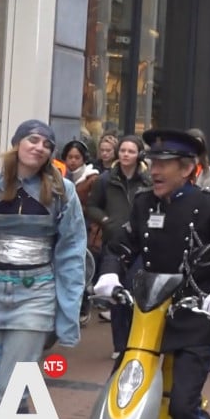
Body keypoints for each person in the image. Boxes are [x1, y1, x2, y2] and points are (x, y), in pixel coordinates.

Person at [95, 129, 210, 419]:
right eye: (152, 162)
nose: (154, 170)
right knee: (120, 392)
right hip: (147, 319)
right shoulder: (144, 203)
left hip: (195, 321)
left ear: (187, 169)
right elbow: (119, 245)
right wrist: (110, 272)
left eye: (164, 163)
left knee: (184, 406)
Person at [0, 119, 87, 419]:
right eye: (33, 139)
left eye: (47, 144)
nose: (40, 147)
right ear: (17, 144)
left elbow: (73, 251)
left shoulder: (62, 190)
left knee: (10, 390)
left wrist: (68, 311)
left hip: (35, 295)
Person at [86, 135, 150, 356]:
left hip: (141, 246)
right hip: (113, 242)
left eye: (131, 151)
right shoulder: (105, 180)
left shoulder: (148, 181)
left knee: (133, 291)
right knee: (116, 294)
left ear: (139, 154)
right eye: (122, 150)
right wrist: (106, 221)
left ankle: (134, 339)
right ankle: (119, 345)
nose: (125, 155)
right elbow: (92, 206)